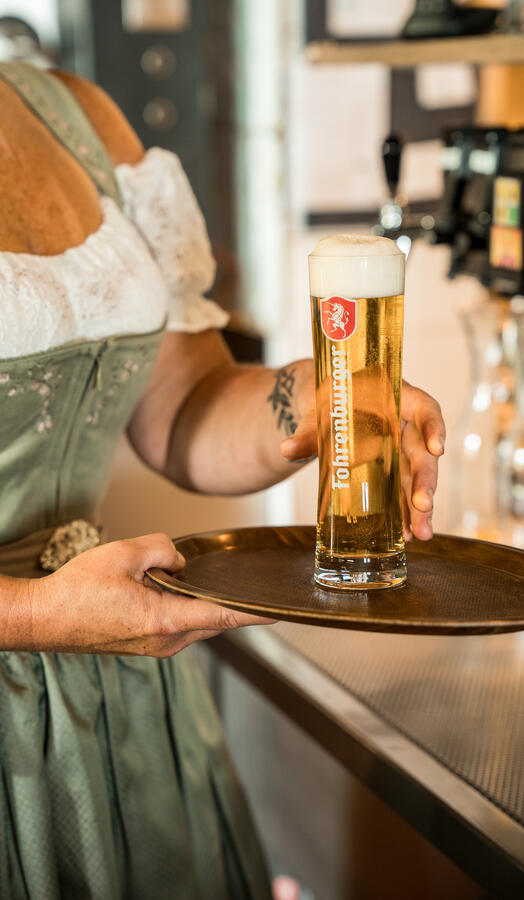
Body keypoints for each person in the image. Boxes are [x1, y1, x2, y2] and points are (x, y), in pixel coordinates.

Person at [0, 61, 446, 899]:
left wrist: (315, 403)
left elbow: (182, 407)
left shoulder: (73, 114)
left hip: (116, 693)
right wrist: (34, 613)